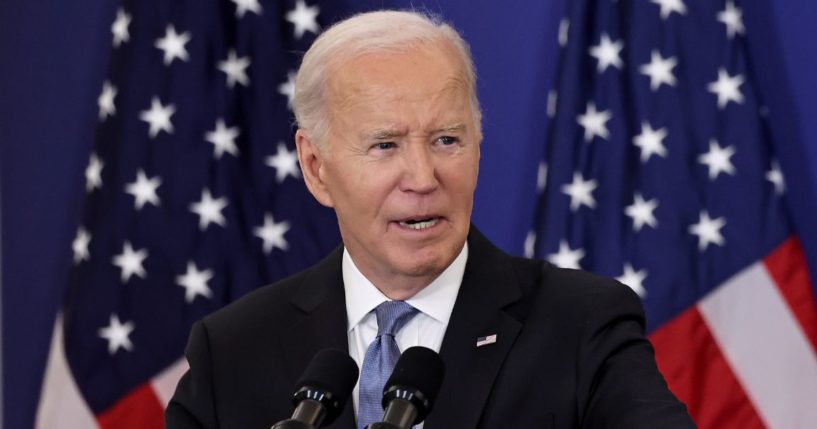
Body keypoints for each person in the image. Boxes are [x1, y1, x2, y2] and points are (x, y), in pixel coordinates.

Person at [165, 10, 696, 429]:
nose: (422, 176)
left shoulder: (582, 326)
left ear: (478, 147)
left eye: (447, 140)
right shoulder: (232, 350)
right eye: (385, 144)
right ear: (316, 167)